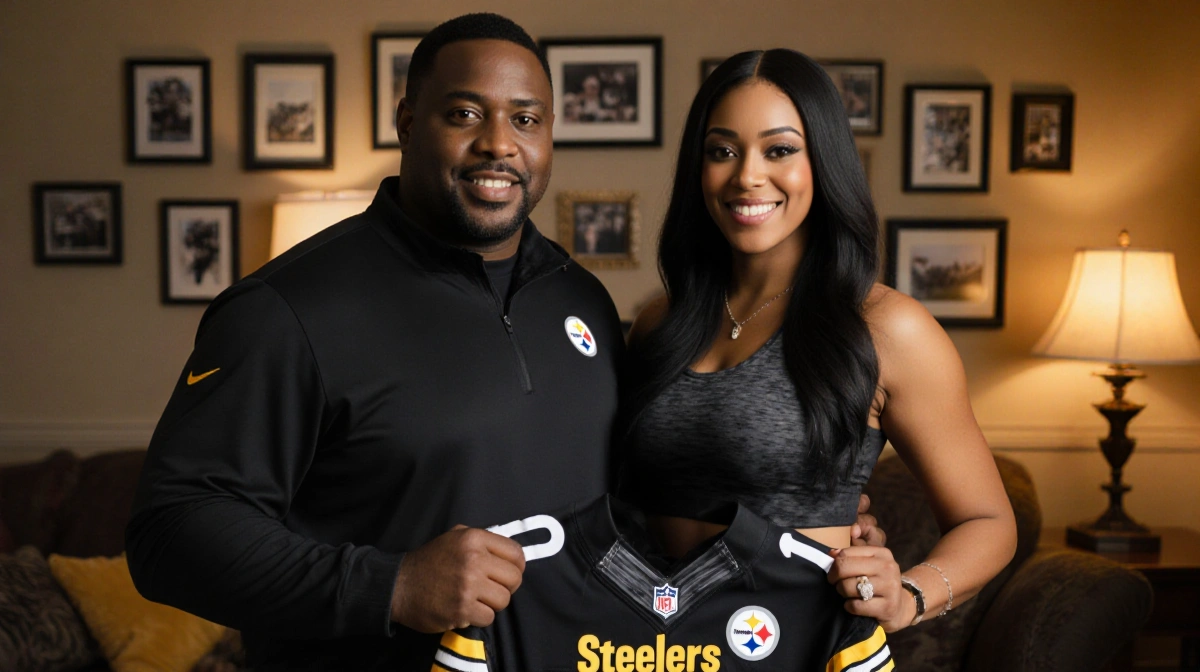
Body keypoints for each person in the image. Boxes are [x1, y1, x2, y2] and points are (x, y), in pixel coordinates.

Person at [126, 14, 885, 670]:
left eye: (525, 119)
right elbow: (170, 532)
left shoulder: (580, 299)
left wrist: (812, 529)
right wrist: (389, 585)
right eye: (464, 114)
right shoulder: (289, 308)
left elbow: (630, 504)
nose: (500, 144)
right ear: (406, 122)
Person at [617, 49, 1017, 635]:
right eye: (722, 151)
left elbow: (989, 521)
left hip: (794, 642)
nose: (747, 175)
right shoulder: (660, 321)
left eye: (779, 150)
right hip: (648, 641)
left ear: (822, 161)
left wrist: (908, 595)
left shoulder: (887, 328)